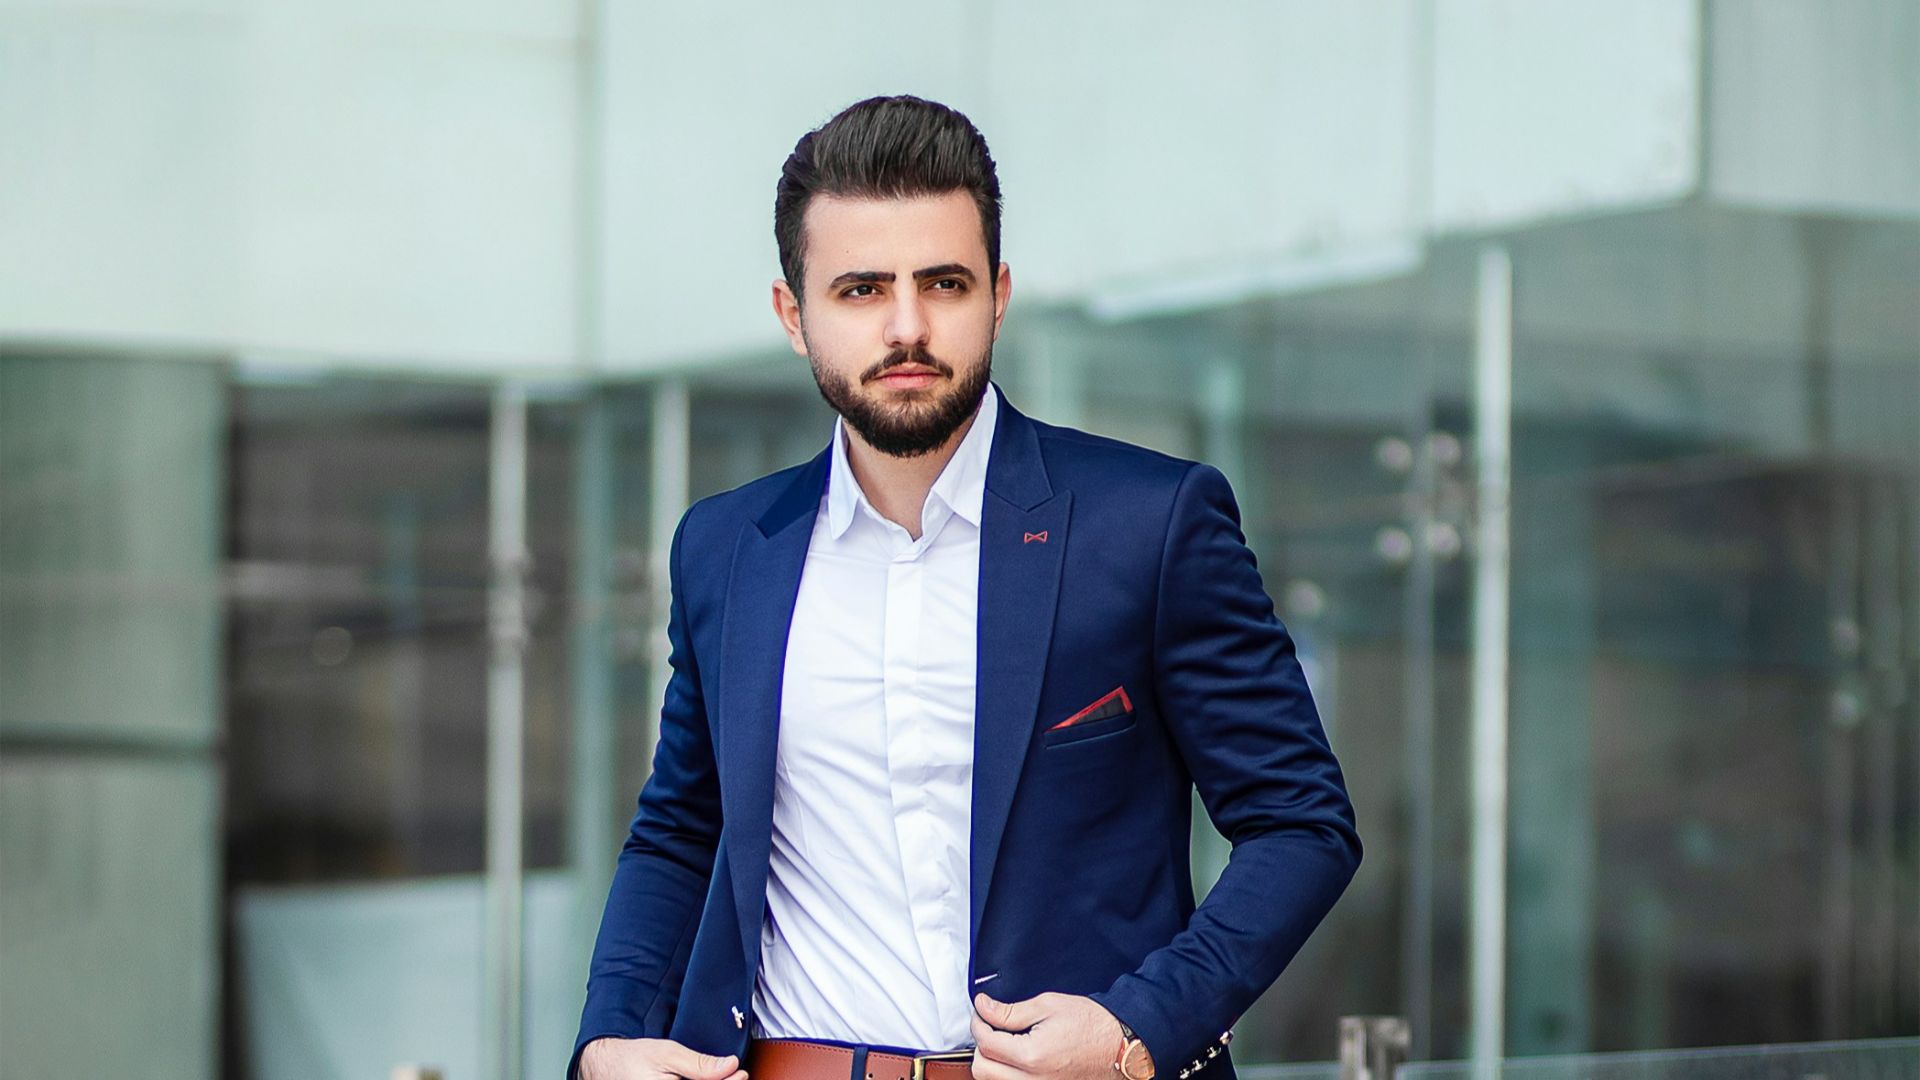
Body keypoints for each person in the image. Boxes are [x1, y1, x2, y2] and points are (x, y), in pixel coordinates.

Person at [570, 95, 1360, 1080]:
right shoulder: (726, 549)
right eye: (860, 290)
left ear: (998, 292)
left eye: (942, 283)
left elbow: (1301, 825)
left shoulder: (1148, 524)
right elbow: (683, 829)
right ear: (792, 313)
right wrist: (610, 1039)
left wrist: (1139, 1029)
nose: (907, 326)